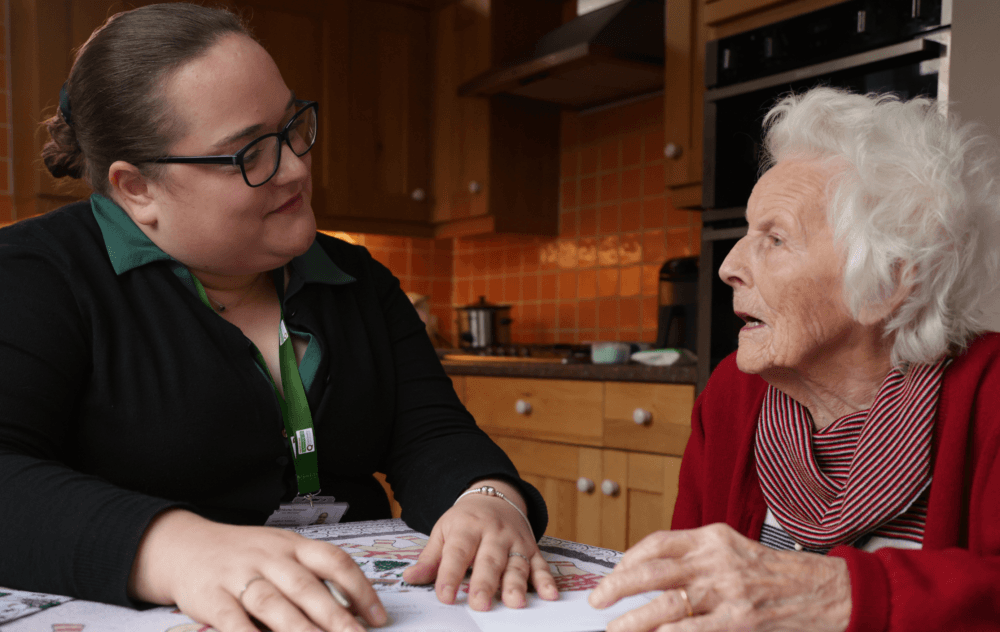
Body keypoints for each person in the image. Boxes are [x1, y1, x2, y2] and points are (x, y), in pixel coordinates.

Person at [0, 4, 559, 632]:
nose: (295, 166)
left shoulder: (360, 280)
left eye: (292, 127)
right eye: (249, 154)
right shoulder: (33, 275)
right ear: (138, 189)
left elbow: (432, 433)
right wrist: (177, 550)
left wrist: (487, 498)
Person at [589, 86, 1000, 631]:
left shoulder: (990, 393)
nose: (728, 266)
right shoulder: (732, 396)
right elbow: (691, 589)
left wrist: (845, 596)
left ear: (889, 281)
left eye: (775, 238)